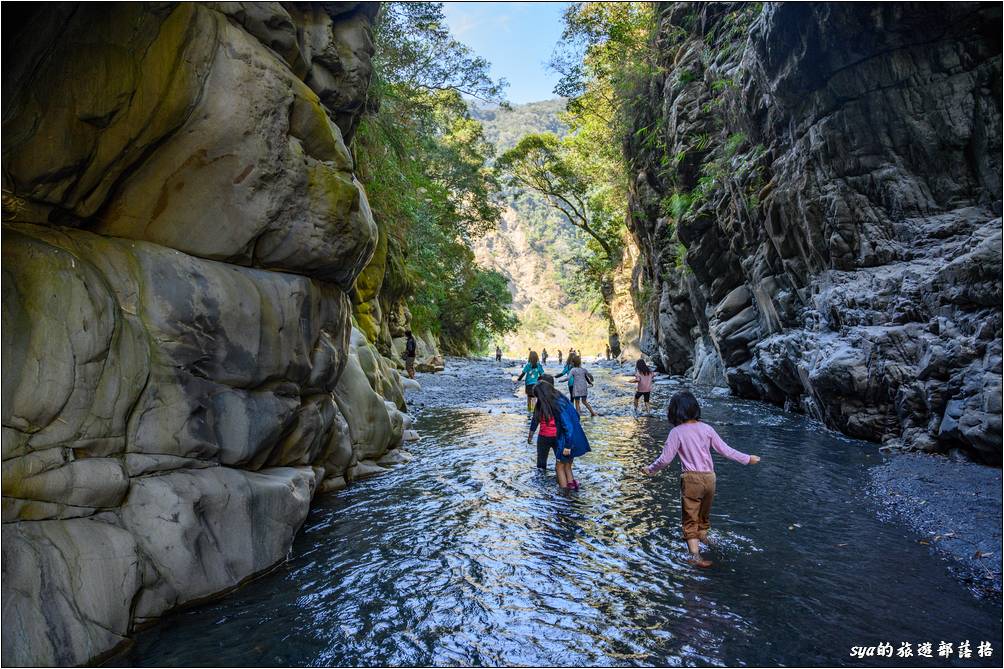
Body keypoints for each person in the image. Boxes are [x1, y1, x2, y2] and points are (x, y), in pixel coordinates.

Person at [641, 391, 761, 568]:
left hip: (691, 479)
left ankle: (695, 556)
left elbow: (665, 459)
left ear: (674, 412)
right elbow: (725, 450)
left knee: (690, 517)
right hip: (710, 479)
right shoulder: (707, 428)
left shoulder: (676, 432)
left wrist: (650, 470)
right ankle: (704, 537)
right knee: (704, 513)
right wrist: (747, 458)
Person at [529, 376, 590, 489]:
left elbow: (567, 427)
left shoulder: (557, 405)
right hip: (576, 437)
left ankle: (564, 492)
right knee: (567, 465)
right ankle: (572, 486)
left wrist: (567, 445)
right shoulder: (562, 398)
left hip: (566, 440)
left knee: (559, 466)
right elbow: (576, 416)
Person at [527, 374, 559, 471]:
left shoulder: (540, 402)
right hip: (558, 436)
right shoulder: (558, 399)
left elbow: (535, 420)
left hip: (544, 437)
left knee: (541, 464)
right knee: (560, 460)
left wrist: (530, 436)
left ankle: (541, 481)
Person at [557, 353, 597, 417]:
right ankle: (592, 413)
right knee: (584, 401)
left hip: (576, 389)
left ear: (573, 363)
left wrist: (561, 380)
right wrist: (591, 381)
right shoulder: (583, 370)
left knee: (577, 403)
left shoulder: (573, 370)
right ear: (580, 363)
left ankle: (578, 416)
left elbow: (568, 378)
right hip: (584, 388)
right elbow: (589, 375)